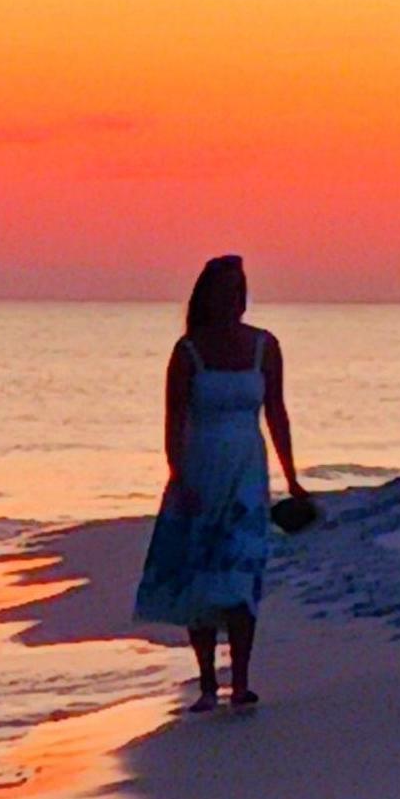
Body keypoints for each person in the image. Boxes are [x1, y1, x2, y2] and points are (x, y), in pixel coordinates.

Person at [134, 255, 312, 711]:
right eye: (225, 290)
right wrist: (179, 476)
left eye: (240, 289)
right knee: (201, 573)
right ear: (207, 295)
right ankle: (208, 681)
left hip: (247, 468)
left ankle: (243, 680)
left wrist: (292, 477)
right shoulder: (188, 350)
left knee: (241, 572)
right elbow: (174, 419)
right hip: (201, 466)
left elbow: (277, 412)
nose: (234, 299)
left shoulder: (264, 346)